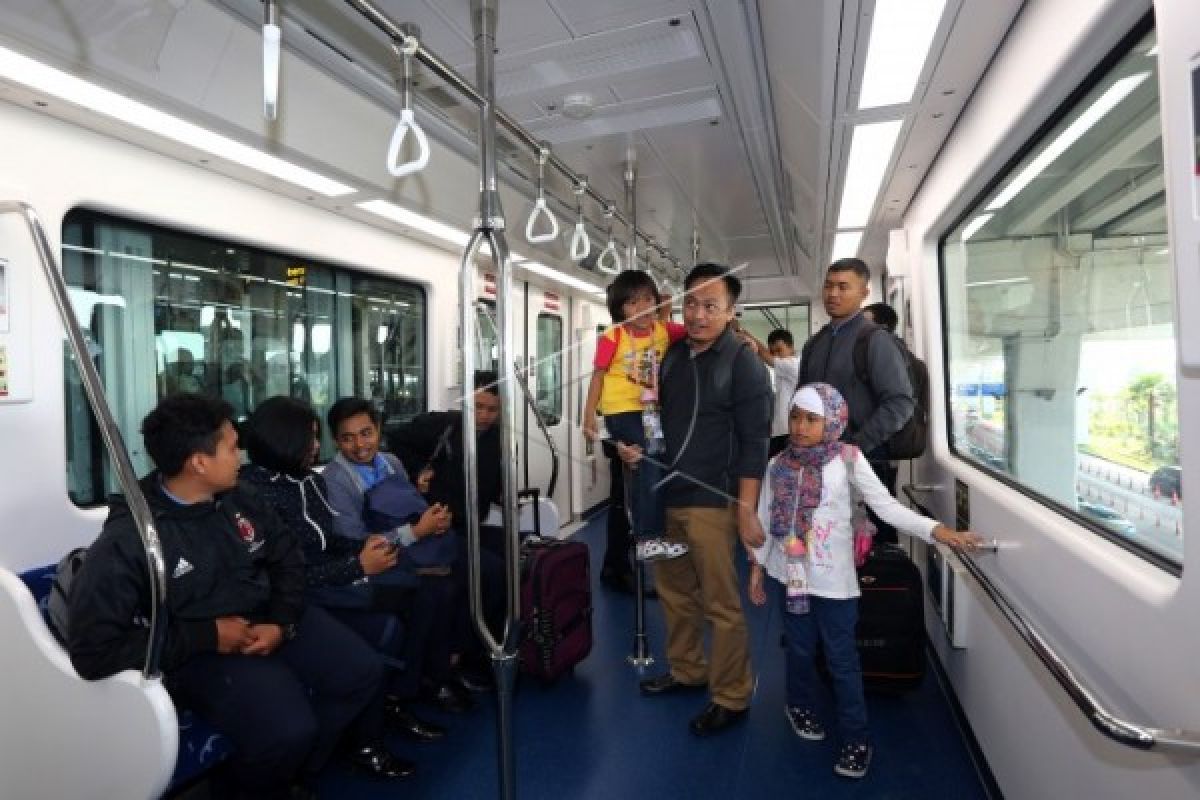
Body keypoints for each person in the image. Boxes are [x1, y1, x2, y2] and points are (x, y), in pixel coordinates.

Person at [66, 394, 398, 799]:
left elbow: (286, 559)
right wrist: (208, 635)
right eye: (230, 447)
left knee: (361, 671)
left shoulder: (240, 497)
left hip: (268, 615)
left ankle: (292, 774)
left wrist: (282, 620)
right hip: (199, 649)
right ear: (198, 462)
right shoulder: (133, 539)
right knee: (290, 728)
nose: (240, 455)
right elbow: (92, 649)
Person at [747, 383, 981, 779]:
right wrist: (756, 568)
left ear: (834, 421)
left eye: (812, 419)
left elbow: (887, 508)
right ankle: (798, 704)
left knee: (842, 661)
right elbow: (768, 519)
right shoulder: (777, 465)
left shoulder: (849, 460)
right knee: (800, 651)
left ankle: (857, 738)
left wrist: (938, 530)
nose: (801, 427)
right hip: (792, 578)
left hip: (835, 583)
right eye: (796, 417)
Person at [239, 396, 451, 749]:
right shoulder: (256, 497)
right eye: (311, 439)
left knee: (425, 593)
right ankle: (368, 735)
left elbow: (330, 540)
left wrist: (361, 551)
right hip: (304, 594)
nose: (317, 446)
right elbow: (286, 573)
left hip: (332, 573)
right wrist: (358, 564)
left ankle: (396, 701)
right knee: (396, 620)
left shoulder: (308, 481)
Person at [635, 262, 772, 738]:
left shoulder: (743, 363)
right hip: (668, 497)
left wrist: (746, 507)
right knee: (675, 592)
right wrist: (640, 451)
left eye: (710, 305)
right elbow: (657, 423)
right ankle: (688, 668)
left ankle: (732, 694)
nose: (697, 314)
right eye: (691, 302)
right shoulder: (672, 356)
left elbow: (756, 442)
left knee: (720, 601)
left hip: (714, 502)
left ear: (731, 312)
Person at [322, 396, 488, 708]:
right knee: (436, 590)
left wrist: (435, 520)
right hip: (372, 562)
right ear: (335, 441)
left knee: (472, 569)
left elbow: (411, 508)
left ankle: (451, 665)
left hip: (410, 546)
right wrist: (416, 532)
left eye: (366, 433)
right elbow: (354, 540)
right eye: (348, 438)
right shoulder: (336, 480)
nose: (359, 445)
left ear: (379, 430)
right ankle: (412, 686)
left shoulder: (392, 463)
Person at [799, 259, 915, 544]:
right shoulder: (815, 343)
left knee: (869, 551)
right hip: (818, 464)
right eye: (828, 286)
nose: (833, 294)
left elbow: (900, 402)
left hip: (865, 462)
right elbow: (803, 401)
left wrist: (856, 447)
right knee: (824, 542)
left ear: (864, 292)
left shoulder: (875, 340)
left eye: (843, 287)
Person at [582, 269, 689, 563]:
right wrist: (589, 413)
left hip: (650, 411)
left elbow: (697, 329)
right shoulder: (612, 335)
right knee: (648, 461)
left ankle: (650, 533)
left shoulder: (664, 330)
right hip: (622, 410)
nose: (642, 308)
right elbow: (598, 375)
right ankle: (646, 538)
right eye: (632, 303)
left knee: (654, 464)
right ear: (619, 308)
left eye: (647, 299)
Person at [740, 328, 801, 458]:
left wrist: (743, 332)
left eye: (780, 350)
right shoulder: (785, 368)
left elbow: (765, 355)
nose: (776, 355)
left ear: (791, 347)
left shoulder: (793, 364)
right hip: (780, 430)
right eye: (773, 352)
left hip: (787, 431)